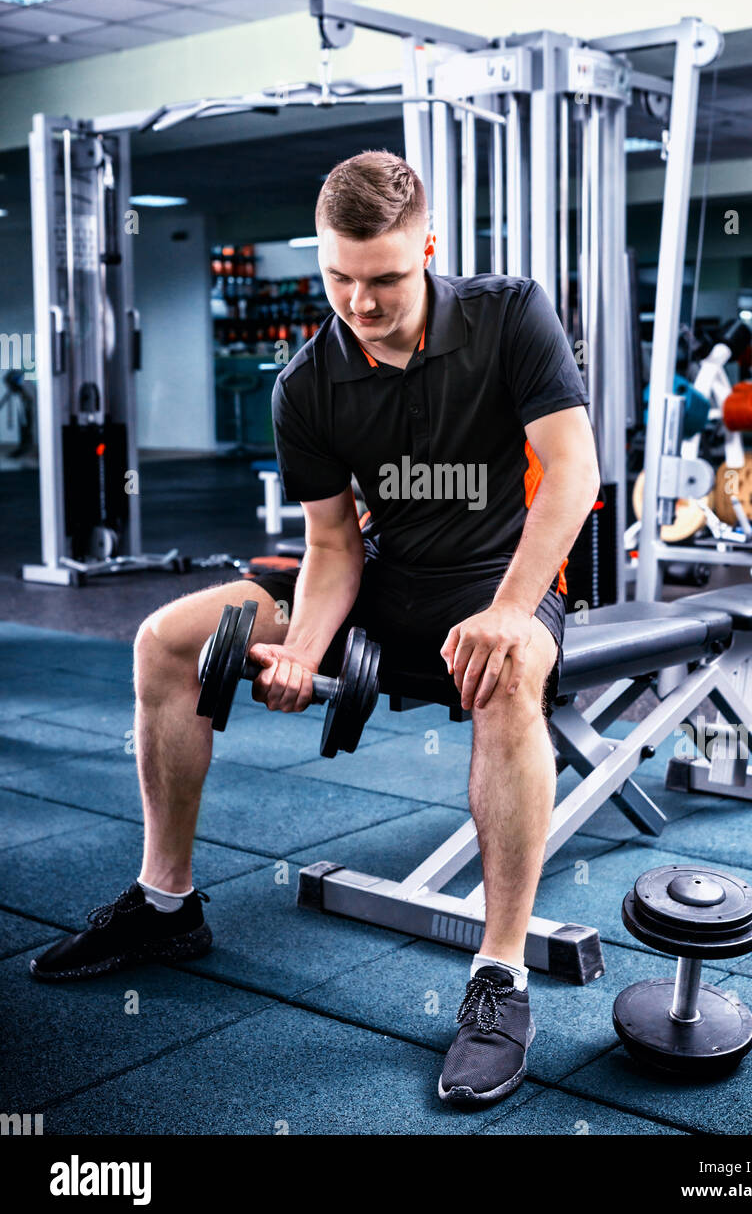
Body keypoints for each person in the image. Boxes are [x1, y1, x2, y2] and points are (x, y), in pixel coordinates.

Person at [32, 150, 599, 1108]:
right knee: (168, 637)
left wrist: (508, 611)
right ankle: (167, 903)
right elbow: (333, 545)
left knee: (509, 672)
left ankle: (498, 977)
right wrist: (298, 651)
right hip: (378, 588)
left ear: (427, 247)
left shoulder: (510, 315)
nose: (361, 303)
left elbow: (573, 472)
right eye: (339, 277)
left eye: (383, 278)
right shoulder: (306, 383)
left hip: (501, 583)